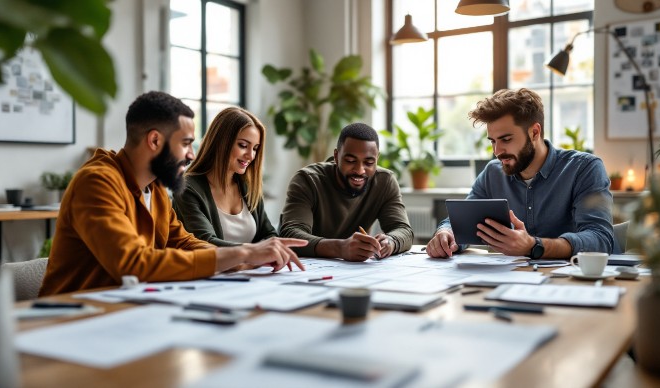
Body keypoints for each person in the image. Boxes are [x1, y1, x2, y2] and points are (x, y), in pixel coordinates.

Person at [40, 91, 305, 296]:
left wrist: (238, 259)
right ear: (155, 141)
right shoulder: (97, 182)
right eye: (186, 144)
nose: (191, 154)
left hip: (126, 311)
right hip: (73, 317)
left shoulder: (155, 190)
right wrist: (243, 254)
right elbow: (133, 263)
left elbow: (186, 242)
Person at [426, 88, 614, 260]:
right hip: (507, 281)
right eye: (492, 141)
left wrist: (534, 246)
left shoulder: (584, 169)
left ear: (534, 132)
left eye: (506, 139)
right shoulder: (493, 173)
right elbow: (461, 222)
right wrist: (446, 233)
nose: (497, 151)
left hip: (567, 284)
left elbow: (600, 239)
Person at [279, 122, 414, 261]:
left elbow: (404, 231)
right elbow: (291, 235)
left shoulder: (385, 182)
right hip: (306, 267)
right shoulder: (308, 180)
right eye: (350, 160)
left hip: (352, 271)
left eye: (368, 163)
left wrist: (390, 242)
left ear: (377, 159)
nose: (360, 170)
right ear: (336, 156)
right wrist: (340, 248)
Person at [173, 107, 276, 246]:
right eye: (243, 145)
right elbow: (205, 242)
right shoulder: (187, 188)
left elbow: (269, 234)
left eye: (255, 148)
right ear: (221, 142)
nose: (251, 155)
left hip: (254, 268)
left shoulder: (248, 187)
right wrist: (255, 252)